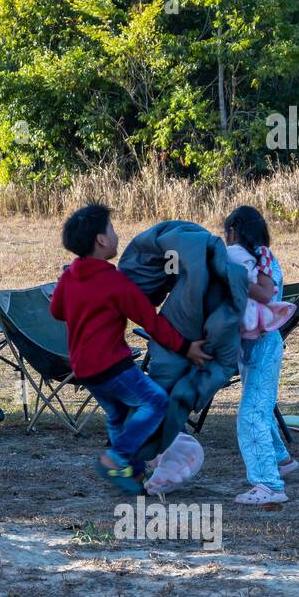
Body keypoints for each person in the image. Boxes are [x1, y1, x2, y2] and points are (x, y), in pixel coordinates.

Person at [51, 204, 211, 494]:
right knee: (155, 402)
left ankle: (130, 472)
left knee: (116, 413)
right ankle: (118, 457)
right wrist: (186, 347)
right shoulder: (116, 282)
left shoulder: (69, 277)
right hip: (112, 364)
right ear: (100, 240)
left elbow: (57, 311)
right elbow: (152, 322)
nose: (116, 234)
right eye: (111, 229)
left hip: (84, 369)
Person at [222, 205, 298, 505]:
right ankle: (281, 459)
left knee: (251, 415)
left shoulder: (256, 260)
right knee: (259, 405)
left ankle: (269, 486)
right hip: (258, 347)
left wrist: (231, 274)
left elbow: (264, 295)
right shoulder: (262, 258)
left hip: (263, 346)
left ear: (233, 232)